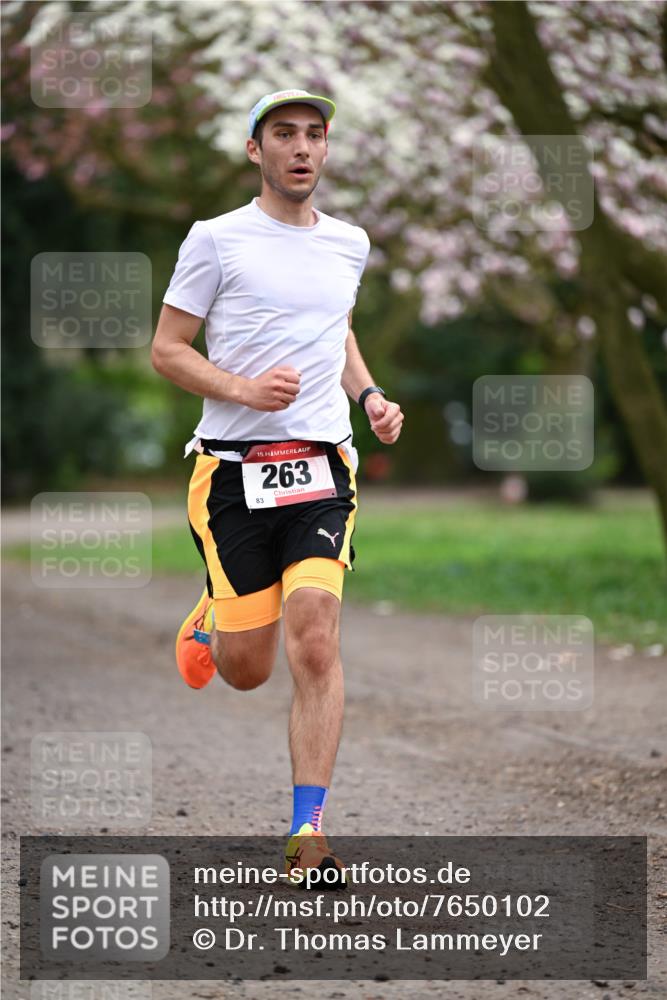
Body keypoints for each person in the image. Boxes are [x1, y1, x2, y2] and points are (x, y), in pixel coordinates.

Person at [152, 88, 404, 886]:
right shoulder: (215, 240)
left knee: (317, 641)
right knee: (246, 668)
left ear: (326, 151)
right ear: (254, 150)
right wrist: (239, 386)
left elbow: (337, 329)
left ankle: (307, 835)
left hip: (323, 466)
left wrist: (367, 396)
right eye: (283, 134)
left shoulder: (348, 244)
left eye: (314, 135)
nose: (301, 147)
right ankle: (212, 615)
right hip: (230, 475)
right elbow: (166, 349)